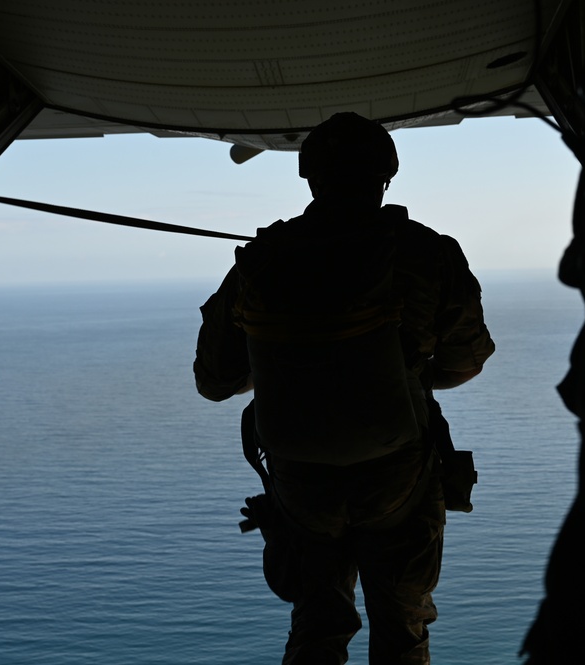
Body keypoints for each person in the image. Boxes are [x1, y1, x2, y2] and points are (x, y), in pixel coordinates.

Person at [193, 112, 494, 665]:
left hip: (302, 487)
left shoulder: (262, 261)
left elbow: (214, 381)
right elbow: (465, 362)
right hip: (398, 478)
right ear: (387, 175)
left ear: (309, 176)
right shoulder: (429, 254)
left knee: (316, 629)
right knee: (402, 631)